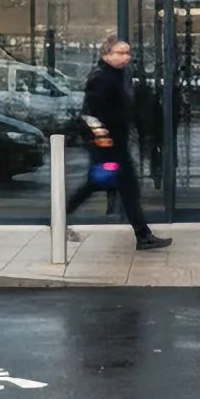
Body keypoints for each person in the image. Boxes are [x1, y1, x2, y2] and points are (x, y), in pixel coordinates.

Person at [69, 35, 170, 250]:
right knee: (110, 187)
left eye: (128, 53)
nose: (127, 57)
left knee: (121, 189)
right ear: (107, 54)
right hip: (108, 147)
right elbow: (89, 113)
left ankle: (144, 236)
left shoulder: (116, 76)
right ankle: (58, 215)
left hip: (116, 145)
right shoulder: (101, 78)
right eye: (121, 53)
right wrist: (102, 138)